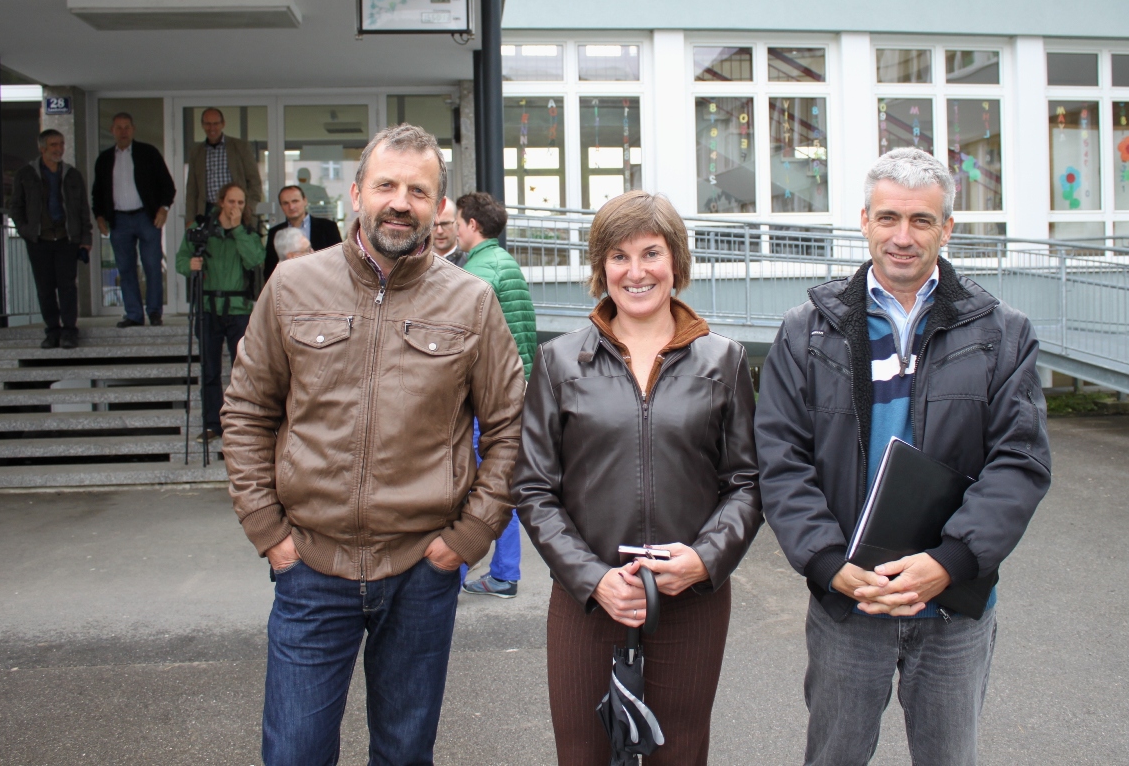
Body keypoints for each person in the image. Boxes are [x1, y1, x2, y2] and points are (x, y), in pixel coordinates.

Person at [221, 124, 525, 766]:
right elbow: (247, 410)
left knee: (404, 754)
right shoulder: (292, 286)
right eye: (386, 185)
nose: (400, 202)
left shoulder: (471, 300)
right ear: (357, 193)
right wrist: (267, 530)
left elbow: (511, 427)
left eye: (419, 191)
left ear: (439, 207)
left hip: (422, 571)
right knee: (295, 754)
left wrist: (468, 538)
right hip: (310, 566)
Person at [754, 148, 1052, 766]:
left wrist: (951, 561)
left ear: (948, 228)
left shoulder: (1003, 333)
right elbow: (780, 457)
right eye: (888, 217)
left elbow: (1019, 462)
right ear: (865, 220)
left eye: (921, 220)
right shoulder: (807, 330)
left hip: (952, 605)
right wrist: (828, 562)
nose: (903, 237)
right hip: (849, 597)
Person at [514, 190, 761, 766]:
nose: (636, 271)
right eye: (618, 256)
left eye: (651, 253)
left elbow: (747, 481)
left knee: (680, 752)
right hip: (588, 600)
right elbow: (533, 487)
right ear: (601, 268)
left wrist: (704, 560)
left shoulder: (723, 360)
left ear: (676, 261)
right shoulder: (558, 361)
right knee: (583, 754)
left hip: (690, 599)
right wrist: (593, 578)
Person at [454, 191, 537, 599]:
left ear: (472, 224)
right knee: (501, 481)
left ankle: (452, 573)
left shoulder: (478, 270)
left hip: (486, 393)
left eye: (456, 223)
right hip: (513, 388)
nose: (454, 230)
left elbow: (463, 338)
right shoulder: (506, 262)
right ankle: (504, 572)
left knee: (473, 484)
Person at [175, 183, 264, 444]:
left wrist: (236, 230)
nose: (236, 207)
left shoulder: (247, 231)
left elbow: (254, 259)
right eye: (231, 201)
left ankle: (244, 423)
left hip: (239, 309)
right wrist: (189, 265)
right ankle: (212, 424)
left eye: (240, 203)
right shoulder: (201, 229)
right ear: (221, 202)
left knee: (243, 370)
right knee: (210, 369)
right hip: (208, 308)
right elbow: (181, 260)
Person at [8, 129, 92, 349]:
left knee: (67, 287)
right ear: (42, 148)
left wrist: (86, 238)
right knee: (45, 288)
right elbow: (16, 207)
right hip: (39, 240)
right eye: (54, 144)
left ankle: (69, 331)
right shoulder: (26, 174)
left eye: (61, 144)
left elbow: (83, 209)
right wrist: (26, 231)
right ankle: (52, 331)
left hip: (66, 239)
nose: (59, 149)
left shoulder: (72, 175)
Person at [91, 112, 176, 328]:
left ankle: (154, 312)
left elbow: (167, 185)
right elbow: (97, 192)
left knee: (152, 265)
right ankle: (134, 314)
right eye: (119, 127)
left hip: (146, 217)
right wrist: (99, 216)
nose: (123, 131)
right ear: (112, 130)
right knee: (126, 268)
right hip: (119, 220)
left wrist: (164, 208)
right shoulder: (104, 159)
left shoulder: (148, 153)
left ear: (133, 129)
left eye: (127, 127)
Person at [184, 107, 263, 227]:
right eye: (208, 124)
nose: (212, 128)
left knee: (237, 238)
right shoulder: (196, 152)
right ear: (202, 125)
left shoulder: (240, 147)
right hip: (207, 210)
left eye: (215, 124)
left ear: (223, 124)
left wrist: (248, 208)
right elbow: (192, 189)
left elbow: (254, 181)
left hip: (237, 209)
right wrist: (190, 218)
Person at [263, 183, 342, 279]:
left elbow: (338, 261)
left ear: (305, 201)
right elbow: (270, 269)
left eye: (295, 201)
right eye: (286, 203)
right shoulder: (275, 233)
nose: (291, 207)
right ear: (281, 206)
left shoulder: (327, 227)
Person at [431, 198, 466, 266]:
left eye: (445, 224)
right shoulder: (419, 261)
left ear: (457, 223)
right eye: (434, 225)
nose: (439, 231)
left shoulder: (470, 261)